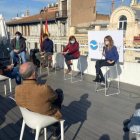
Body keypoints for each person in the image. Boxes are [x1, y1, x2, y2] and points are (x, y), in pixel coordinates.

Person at [15, 62, 64, 139]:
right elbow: (55, 97)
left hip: (29, 118)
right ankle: (55, 128)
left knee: (42, 100)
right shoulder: (44, 89)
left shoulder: (17, 89)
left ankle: (37, 129)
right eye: (36, 70)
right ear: (34, 73)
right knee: (59, 93)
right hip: (43, 117)